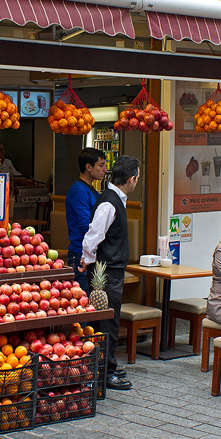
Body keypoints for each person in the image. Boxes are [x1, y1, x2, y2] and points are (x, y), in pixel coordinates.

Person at [79, 155, 141, 391]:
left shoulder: (116, 199)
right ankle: (105, 372)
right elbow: (93, 236)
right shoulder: (109, 203)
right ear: (131, 178)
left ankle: (107, 365)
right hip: (106, 273)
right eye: (137, 178)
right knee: (108, 323)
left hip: (111, 271)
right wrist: (87, 260)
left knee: (110, 321)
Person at [65, 148, 107, 291]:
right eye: (101, 165)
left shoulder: (90, 190)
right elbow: (85, 225)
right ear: (88, 167)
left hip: (89, 252)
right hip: (80, 254)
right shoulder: (79, 190)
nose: (105, 170)